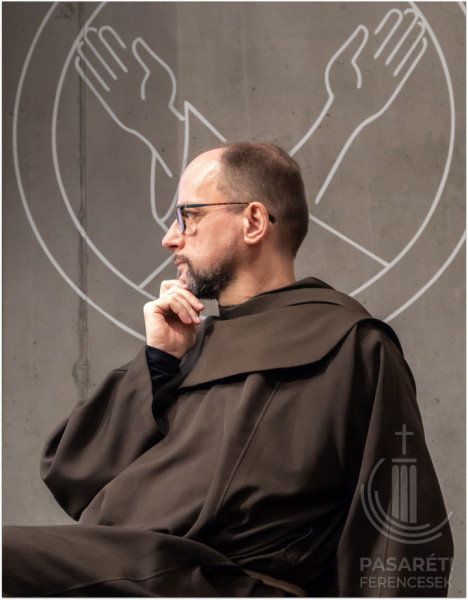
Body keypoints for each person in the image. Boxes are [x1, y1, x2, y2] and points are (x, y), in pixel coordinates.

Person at [3, 142, 453, 597]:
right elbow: (75, 475)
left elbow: (399, 521)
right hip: (125, 567)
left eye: (188, 216)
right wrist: (158, 363)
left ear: (253, 222)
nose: (171, 237)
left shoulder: (350, 343)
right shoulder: (186, 347)